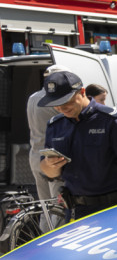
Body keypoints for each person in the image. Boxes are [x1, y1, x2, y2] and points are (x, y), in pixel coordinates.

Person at [39, 70, 117, 219]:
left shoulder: (113, 121)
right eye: (56, 105)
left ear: (82, 92)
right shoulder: (55, 126)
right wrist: (50, 166)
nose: (61, 108)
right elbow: (48, 171)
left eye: (66, 102)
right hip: (77, 211)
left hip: (116, 210)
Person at [27, 64, 71, 204]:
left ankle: (44, 227)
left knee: (45, 206)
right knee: (58, 207)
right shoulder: (57, 99)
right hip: (52, 157)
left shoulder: (33, 97)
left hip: (35, 154)